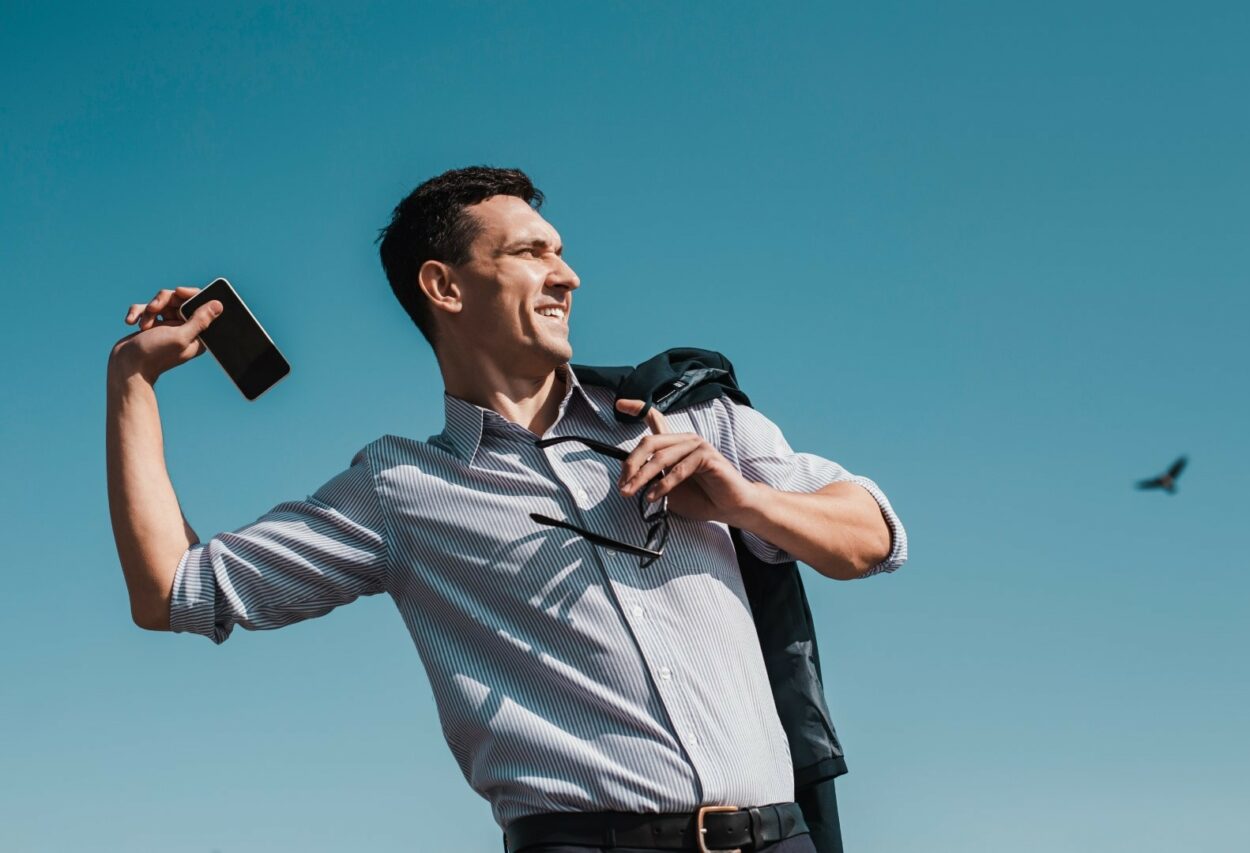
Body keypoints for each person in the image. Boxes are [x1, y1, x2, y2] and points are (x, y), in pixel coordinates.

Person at [105, 166, 908, 853]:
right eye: (532, 253)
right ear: (444, 285)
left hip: (777, 836)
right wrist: (132, 384)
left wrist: (747, 500)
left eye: (560, 251)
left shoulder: (689, 413)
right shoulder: (398, 490)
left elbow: (871, 534)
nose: (569, 276)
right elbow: (172, 589)